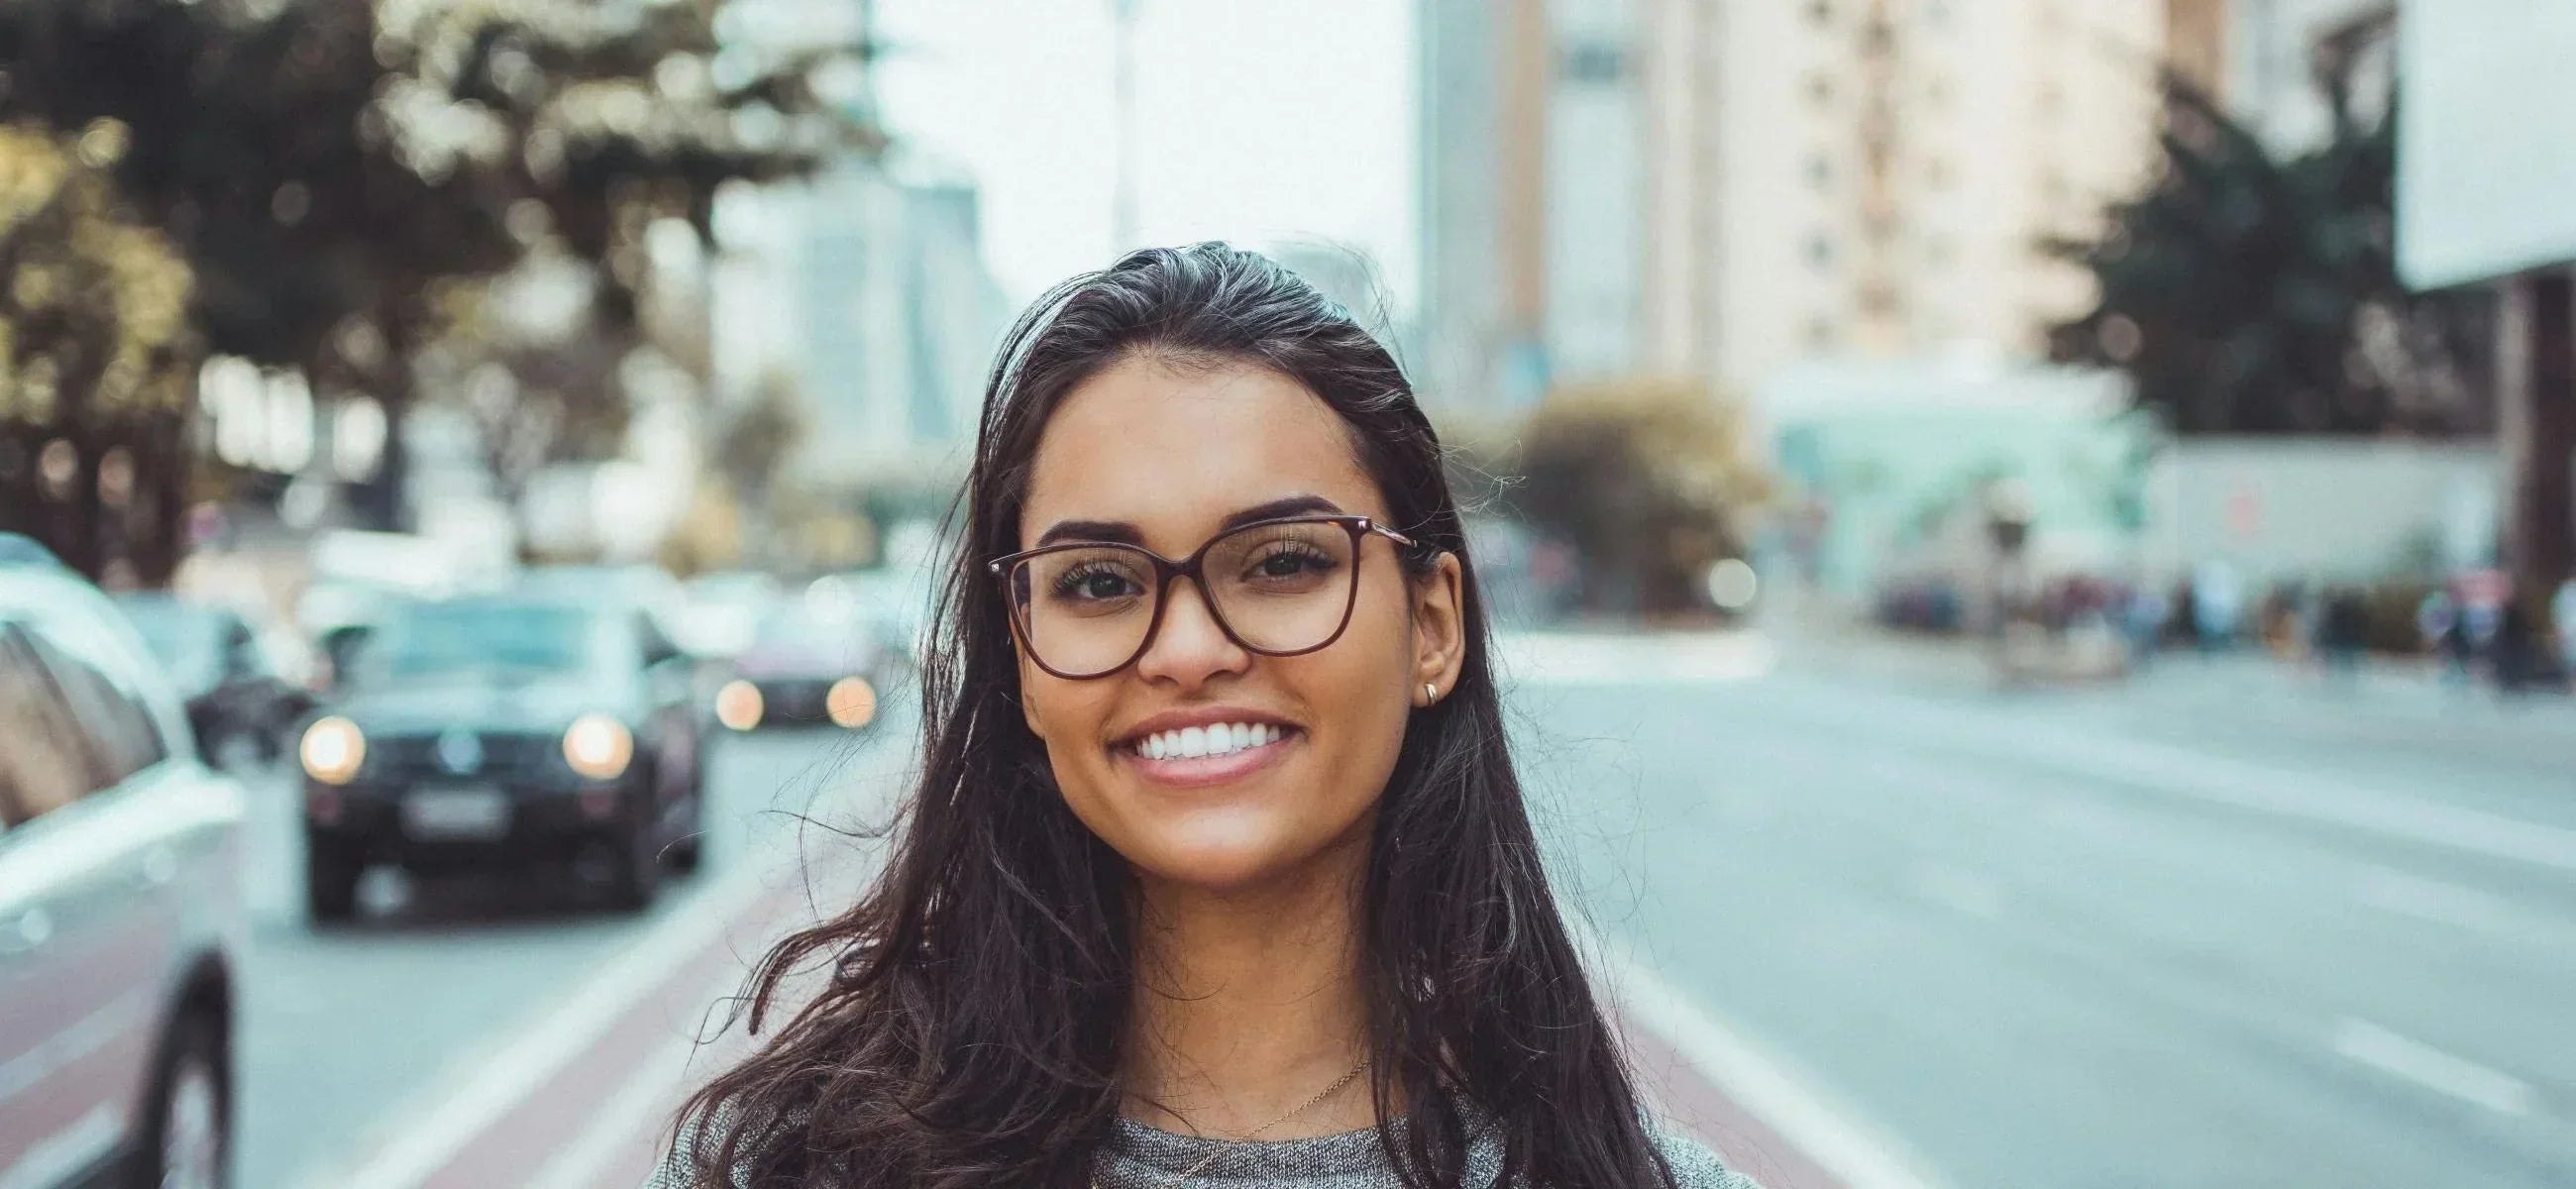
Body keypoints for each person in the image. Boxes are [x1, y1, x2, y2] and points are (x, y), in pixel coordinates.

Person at [649, 245, 1759, 1189]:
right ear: (1023, 654)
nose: (1186, 650)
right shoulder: (789, 1169)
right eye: (1096, 581)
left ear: (1430, 627)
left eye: (1280, 562)